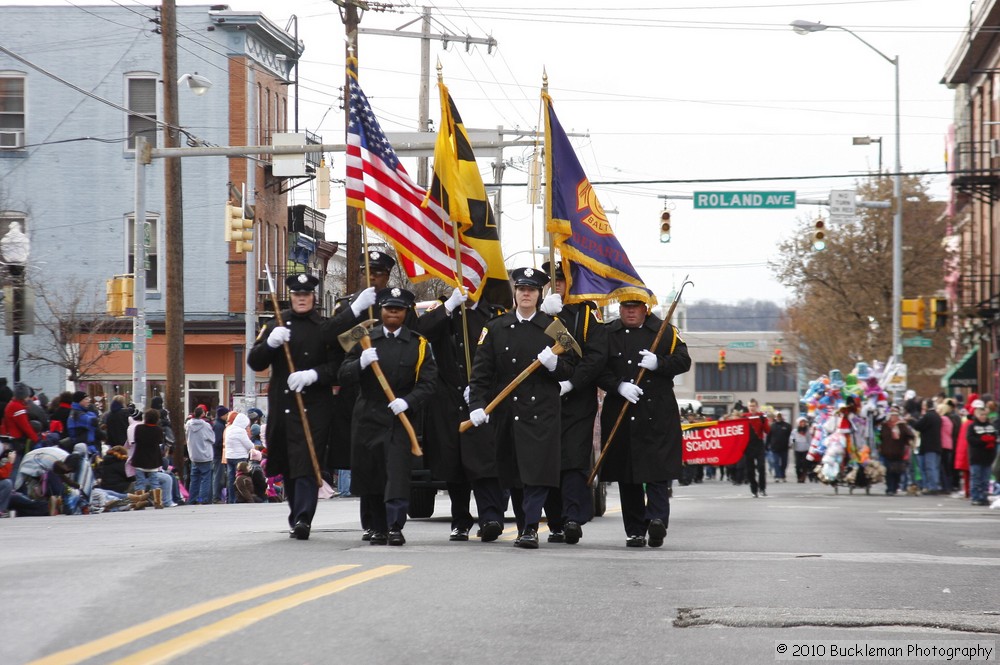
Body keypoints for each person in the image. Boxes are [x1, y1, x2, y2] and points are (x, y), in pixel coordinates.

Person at [467, 267, 576, 549]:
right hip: (508, 412)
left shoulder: (555, 327)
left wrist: (554, 365)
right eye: (521, 289)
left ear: (540, 295)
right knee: (515, 474)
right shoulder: (495, 327)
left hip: (542, 412)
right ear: (515, 292)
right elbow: (481, 373)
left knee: (537, 473)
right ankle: (523, 525)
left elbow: (572, 365)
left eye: (532, 290)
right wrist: (477, 405)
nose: (526, 294)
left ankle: (529, 528)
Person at [248, 272, 359, 541]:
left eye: (306, 295)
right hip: (284, 404)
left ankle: (304, 518)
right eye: (297, 295)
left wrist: (313, 375)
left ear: (313, 297)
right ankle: (295, 513)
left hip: (314, 406)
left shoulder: (324, 327)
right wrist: (270, 343)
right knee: (288, 464)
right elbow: (255, 361)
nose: (301, 299)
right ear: (291, 297)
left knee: (308, 461)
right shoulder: (277, 323)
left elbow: (337, 368)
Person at [339, 287, 438, 546]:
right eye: (388, 308)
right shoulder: (362, 337)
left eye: (398, 309)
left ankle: (395, 525)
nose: (392, 312)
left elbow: (428, 383)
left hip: (399, 418)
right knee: (371, 475)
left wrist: (408, 401)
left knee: (396, 473)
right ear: (381, 310)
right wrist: (360, 363)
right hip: (368, 415)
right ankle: (376, 526)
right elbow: (342, 373)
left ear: (406, 313)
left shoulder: (419, 344)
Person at [596, 295, 690, 548]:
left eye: (634, 307)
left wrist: (660, 363)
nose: (629, 312)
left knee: (657, 470)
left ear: (645, 308)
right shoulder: (607, 333)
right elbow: (596, 368)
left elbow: (684, 361)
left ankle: (657, 520)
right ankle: (635, 530)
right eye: (625, 307)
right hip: (622, 411)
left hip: (657, 412)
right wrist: (617, 386)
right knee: (629, 475)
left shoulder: (665, 331)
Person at [416, 286, 506, 543]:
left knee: (485, 461)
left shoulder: (495, 315)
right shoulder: (444, 311)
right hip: (449, 398)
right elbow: (421, 332)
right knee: (455, 464)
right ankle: (460, 521)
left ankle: (491, 517)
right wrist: (449, 306)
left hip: (484, 399)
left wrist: (481, 388)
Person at [536, 260, 608, 545]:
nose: (557, 286)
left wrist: (573, 382)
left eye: (562, 281)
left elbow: (597, 355)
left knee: (573, 459)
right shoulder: (538, 313)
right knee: (547, 459)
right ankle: (554, 521)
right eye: (552, 282)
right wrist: (546, 319)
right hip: (543, 397)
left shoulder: (587, 312)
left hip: (577, 398)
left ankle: (572, 519)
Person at [327, 250, 394, 540]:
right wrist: (359, 321)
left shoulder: (398, 304)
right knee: (364, 463)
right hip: (357, 390)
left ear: (387, 276)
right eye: (368, 271)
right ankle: (369, 521)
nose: (373, 277)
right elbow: (333, 344)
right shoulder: (347, 306)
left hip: (391, 390)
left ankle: (391, 519)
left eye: (378, 273)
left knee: (390, 461)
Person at [131, 408, 176, 508]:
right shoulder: (158, 430)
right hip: (153, 459)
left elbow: (136, 440)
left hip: (140, 457)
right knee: (154, 481)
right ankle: (158, 502)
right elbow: (160, 441)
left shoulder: (139, 428)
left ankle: (140, 503)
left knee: (140, 482)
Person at [1, 382, 41, 476]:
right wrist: (35, 438)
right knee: (16, 467)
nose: (28, 398)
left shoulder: (11, 405)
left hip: (9, 438)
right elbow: (25, 426)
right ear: (23, 396)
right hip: (16, 441)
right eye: (27, 396)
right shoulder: (18, 408)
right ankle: (13, 487)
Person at [966, 399, 997, 506]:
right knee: (976, 479)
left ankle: (984, 497)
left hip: (987, 458)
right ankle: (975, 497)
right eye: (981, 414)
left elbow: (995, 437)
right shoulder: (972, 426)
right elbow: (970, 439)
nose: (983, 417)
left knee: (985, 480)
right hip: (976, 457)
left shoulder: (991, 426)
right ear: (977, 415)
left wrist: (991, 440)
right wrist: (983, 440)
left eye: (984, 414)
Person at [910, 398, 943, 494]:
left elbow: (918, 426)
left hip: (928, 446)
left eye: (924, 405)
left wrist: (911, 420)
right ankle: (934, 485)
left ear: (927, 406)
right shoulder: (937, 416)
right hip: (937, 445)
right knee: (935, 467)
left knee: (929, 467)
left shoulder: (928, 416)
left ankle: (932, 487)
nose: (922, 407)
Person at [879, 407, 914, 495]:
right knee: (888, 472)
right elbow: (880, 437)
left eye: (895, 415)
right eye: (892, 415)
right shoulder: (885, 425)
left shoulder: (902, 425)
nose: (893, 417)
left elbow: (910, 435)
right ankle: (890, 488)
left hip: (898, 453)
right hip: (886, 453)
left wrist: (909, 442)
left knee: (897, 472)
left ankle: (895, 487)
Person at [185, 406, 215, 505]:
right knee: (205, 479)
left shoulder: (188, 424)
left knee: (194, 479)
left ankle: (192, 499)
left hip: (194, 455)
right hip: (205, 455)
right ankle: (202, 499)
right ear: (202, 414)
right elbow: (212, 439)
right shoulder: (206, 425)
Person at [223, 412, 255, 503]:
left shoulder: (229, 429)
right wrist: (253, 446)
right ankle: (238, 498)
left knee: (230, 478)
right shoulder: (241, 431)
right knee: (240, 480)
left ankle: (230, 498)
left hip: (229, 456)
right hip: (240, 457)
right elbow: (248, 445)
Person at [743, 398, 770, 497]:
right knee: (750, 470)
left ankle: (762, 488)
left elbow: (767, 431)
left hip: (759, 444)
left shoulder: (761, 417)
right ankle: (754, 489)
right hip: (748, 445)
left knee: (761, 467)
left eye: (753, 406)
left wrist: (766, 421)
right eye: (750, 406)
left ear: (757, 406)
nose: (752, 408)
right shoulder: (744, 417)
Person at [766, 411, 792, 483]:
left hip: (784, 448)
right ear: (775, 417)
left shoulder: (787, 426)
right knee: (776, 462)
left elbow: (792, 436)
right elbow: (769, 436)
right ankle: (777, 476)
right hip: (775, 448)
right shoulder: (772, 426)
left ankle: (783, 475)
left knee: (784, 463)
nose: (778, 417)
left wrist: (793, 443)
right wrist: (767, 445)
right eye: (777, 416)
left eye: (780, 416)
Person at [211, 406, 229, 503]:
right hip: (218, 455)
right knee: (218, 476)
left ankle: (216, 496)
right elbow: (217, 441)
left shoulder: (219, 424)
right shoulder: (219, 426)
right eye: (226, 414)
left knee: (218, 476)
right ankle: (216, 497)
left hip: (218, 454)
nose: (227, 416)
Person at [791, 417, 811, 483]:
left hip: (805, 449)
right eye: (801, 422)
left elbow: (809, 440)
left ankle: (803, 477)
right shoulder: (795, 431)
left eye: (804, 422)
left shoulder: (807, 431)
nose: (803, 423)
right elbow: (792, 438)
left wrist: (810, 447)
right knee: (798, 464)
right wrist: (793, 443)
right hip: (797, 449)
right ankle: (798, 476)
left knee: (804, 464)